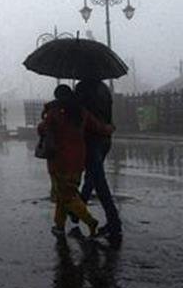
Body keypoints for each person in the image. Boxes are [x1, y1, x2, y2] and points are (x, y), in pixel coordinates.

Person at [38, 85, 114, 237]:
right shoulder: (81, 112)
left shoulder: (54, 112)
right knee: (63, 194)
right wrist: (110, 128)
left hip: (59, 161)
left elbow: (42, 129)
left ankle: (90, 221)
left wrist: (45, 114)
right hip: (77, 161)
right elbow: (98, 127)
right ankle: (59, 226)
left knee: (67, 196)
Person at [74, 79, 122, 234]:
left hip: (91, 139)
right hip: (105, 139)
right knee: (92, 177)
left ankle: (114, 221)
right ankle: (77, 211)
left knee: (99, 181)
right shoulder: (104, 89)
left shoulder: (82, 88)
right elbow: (108, 114)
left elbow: (79, 115)